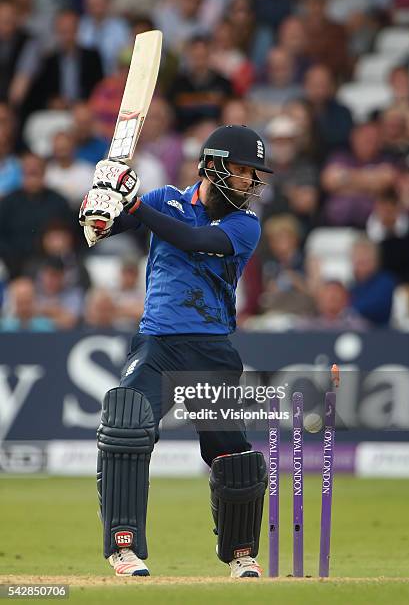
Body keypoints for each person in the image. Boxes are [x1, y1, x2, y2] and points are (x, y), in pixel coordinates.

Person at [79, 125, 272, 578]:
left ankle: (242, 553)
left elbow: (195, 242)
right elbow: (103, 230)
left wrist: (136, 203)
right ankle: (123, 548)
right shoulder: (166, 198)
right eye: (242, 170)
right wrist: (100, 204)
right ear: (212, 165)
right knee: (126, 429)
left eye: (253, 174)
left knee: (233, 455)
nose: (249, 181)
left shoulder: (245, 225)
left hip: (211, 349)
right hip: (158, 343)